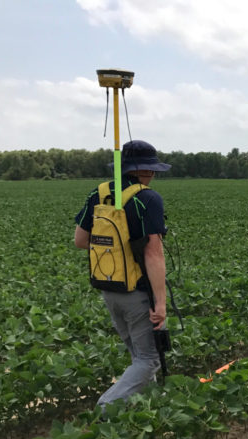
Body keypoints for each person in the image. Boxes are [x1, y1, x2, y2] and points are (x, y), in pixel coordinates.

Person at [74, 140, 170, 408]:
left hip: (109, 286)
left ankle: (142, 409)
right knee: (149, 358)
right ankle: (106, 408)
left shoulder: (100, 193)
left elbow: (80, 240)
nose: (153, 177)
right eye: (152, 171)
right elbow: (153, 253)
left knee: (137, 355)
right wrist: (160, 304)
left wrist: (113, 248)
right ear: (145, 170)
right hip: (138, 292)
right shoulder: (147, 198)